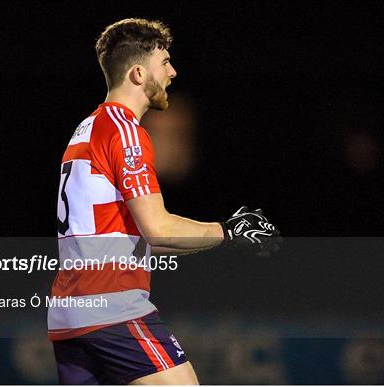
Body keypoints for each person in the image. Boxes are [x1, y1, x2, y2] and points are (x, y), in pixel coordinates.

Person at [48, 18, 280, 385]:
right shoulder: (126, 133)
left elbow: (131, 240)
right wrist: (230, 231)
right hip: (112, 309)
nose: (173, 71)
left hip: (69, 314)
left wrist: (214, 239)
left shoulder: (86, 129)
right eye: (165, 62)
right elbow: (159, 229)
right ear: (139, 74)